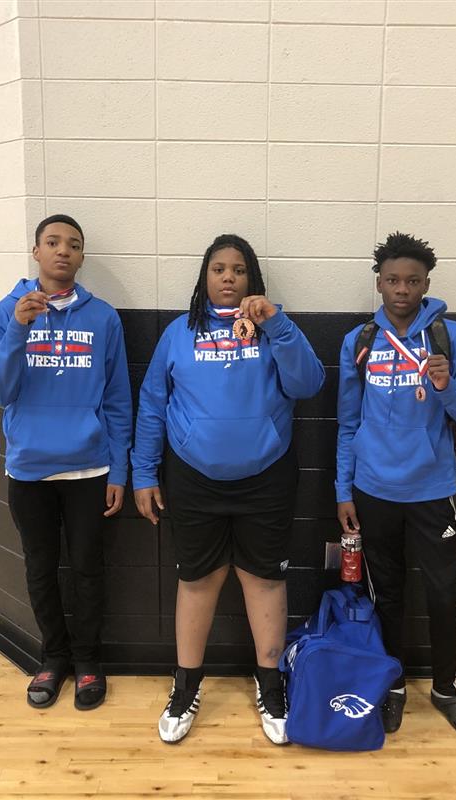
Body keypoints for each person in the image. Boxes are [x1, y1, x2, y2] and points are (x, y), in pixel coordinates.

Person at [131, 233, 324, 744]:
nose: (228, 277)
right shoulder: (178, 333)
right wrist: (145, 472)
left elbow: (309, 384)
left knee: (264, 579)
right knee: (198, 581)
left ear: (252, 279)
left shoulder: (273, 329)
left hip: (266, 476)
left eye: (239, 269)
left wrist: (276, 324)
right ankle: (186, 686)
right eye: (219, 268)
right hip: (193, 478)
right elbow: (152, 405)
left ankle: (270, 684)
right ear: (204, 277)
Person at [336, 232, 456, 738]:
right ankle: (393, 687)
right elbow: (348, 423)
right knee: (388, 596)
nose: (402, 288)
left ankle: (447, 690)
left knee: (445, 594)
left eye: (413, 281)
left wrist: (446, 387)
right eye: (393, 279)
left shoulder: (450, 337)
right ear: (378, 282)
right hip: (375, 489)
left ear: (426, 284)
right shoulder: (360, 341)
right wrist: (343, 490)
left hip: (430, 490)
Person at [0, 214, 132, 711]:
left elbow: (117, 399)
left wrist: (120, 469)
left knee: (88, 569)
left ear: (81, 257)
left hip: (89, 468)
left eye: (73, 244)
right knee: (40, 568)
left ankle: (88, 660)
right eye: (52, 242)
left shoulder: (103, 317)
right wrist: (18, 331)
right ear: (36, 251)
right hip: (29, 468)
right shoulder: (7, 311)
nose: (62, 250)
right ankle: (53, 658)